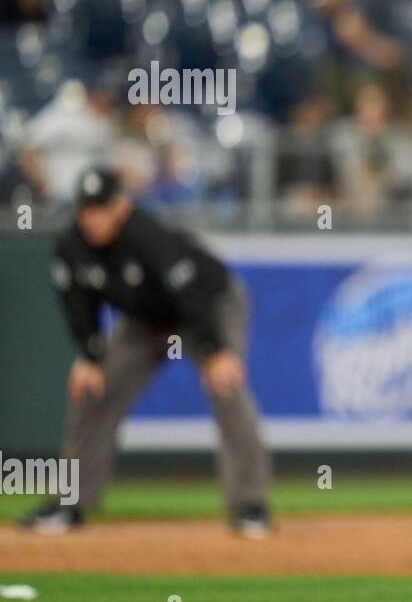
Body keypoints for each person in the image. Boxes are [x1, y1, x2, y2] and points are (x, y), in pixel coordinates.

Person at [21, 168, 272, 536]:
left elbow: (190, 293)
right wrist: (90, 356)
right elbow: (78, 303)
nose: (93, 218)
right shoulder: (72, 246)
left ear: (121, 206)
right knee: (94, 392)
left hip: (207, 307)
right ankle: (69, 503)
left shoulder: (147, 236)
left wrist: (215, 350)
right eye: (86, 209)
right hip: (143, 322)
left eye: (101, 208)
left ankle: (250, 504)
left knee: (226, 388)